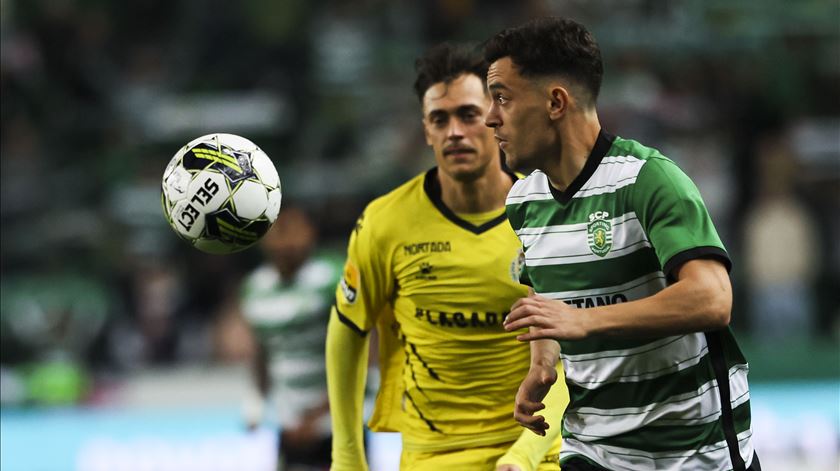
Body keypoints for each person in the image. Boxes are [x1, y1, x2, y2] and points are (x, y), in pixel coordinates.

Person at [483, 17, 760, 471]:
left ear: (556, 101)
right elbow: (549, 295)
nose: (491, 117)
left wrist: (583, 321)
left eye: (502, 97)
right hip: (594, 449)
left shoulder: (648, 180)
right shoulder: (523, 200)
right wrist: (543, 361)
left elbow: (713, 298)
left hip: (694, 452)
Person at [326, 43, 568, 471]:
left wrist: (525, 456)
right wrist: (347, 457)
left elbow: (571, 355)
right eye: (440, 118)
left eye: (468, 115)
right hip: (431, 457)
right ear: (425, 130)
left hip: (534, 452)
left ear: (495, 117)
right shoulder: (386, 223)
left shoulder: (546, 214)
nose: (454, 131)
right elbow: (347, 331)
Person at [238, 205, 341, 471]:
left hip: (337, 422)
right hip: (289, 422)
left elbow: (361, 353)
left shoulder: (333, 279)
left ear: (311, 233)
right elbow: (261, 351)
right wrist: (257, 400)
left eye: (293, 230)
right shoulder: (255, 288)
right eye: (277, 232)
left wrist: (318, 416)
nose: (285, 242)